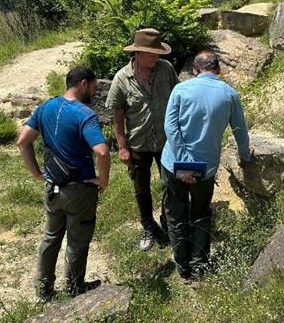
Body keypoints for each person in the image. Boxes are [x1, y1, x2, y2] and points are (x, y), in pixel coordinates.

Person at [17, 67, 110, 302]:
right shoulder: (85, 114)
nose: (95, 92)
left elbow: (23, 141)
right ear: (83, 84)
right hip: (79, 188)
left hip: (52, 187)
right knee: (77, 240)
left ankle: (43, 290)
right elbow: (101, 151)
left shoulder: (45, 107)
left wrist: (37, 173)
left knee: (50, 237)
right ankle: (75, 288)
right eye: (94, 87)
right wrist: (103, 180)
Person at [161, 51, 252, 280]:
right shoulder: (230, 94)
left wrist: (184, 163)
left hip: (174, 164)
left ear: (195, 70)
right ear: (218, 69)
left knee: (176, 215)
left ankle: (183, 267)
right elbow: (240, 131)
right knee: (201, 213)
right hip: (206, 167)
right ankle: (200, 265)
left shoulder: (180, 90)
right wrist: (246, 157)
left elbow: (170, 128)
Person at [105, 28, 180, 251]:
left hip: (167, 141)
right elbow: (117, 115)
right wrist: (122, 146)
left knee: (170, 183)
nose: (156, 57)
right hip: (138, 143)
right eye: (151, 53)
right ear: (137, 53)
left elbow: (178, 97)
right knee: (141, 188)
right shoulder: (122, 78)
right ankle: (147, 225)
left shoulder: (166, 69)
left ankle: (168, 221)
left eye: (158, 53)